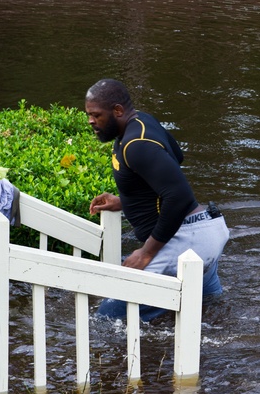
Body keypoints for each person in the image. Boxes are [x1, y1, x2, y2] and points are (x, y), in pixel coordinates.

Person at [84, 79, 230, 322]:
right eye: (88, 114)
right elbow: (176, 157)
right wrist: (125, 201)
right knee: (208, 314)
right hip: (203, 232)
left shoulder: (136, 145)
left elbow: (179, 195)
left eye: (96, 115)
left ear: (117, 111)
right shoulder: (142, 121)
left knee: (108, 318)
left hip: (185, 240)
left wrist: (146, 253)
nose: (91, 121)